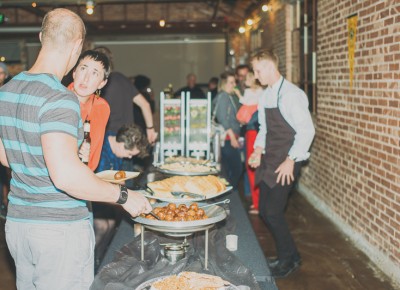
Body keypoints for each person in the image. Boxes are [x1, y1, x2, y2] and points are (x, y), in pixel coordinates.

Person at [0, 8, 151, 290]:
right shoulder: (60, 98)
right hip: (59, 228)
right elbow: (66, 177)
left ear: (42, 37)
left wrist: (55, 156)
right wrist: (123, 196)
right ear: (77, 47)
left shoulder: (7, 91)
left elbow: (6, 156)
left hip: (19, 224)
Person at [249, 49, 315, 278]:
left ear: (269, 67)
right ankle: (290, 255)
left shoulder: (291, 95)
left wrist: (291, 160)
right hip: (271, 159)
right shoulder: (266, 95)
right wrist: (258, 149)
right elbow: (265, 129)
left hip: (287, 160)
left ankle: (288, 261)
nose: (256, 76)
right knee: (265, 212)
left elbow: (307, 130)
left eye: (258, 70)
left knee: (273, 212)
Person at [93, 46, 157, 145]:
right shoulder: (121, 78)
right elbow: (145, 105)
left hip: (109, 140)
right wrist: (150, 129)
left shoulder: (97, 84)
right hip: (128, 138)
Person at [68, 49, 111, 171]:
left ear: (102, 83)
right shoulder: (58, 103)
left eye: (94, 73)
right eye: (83, 69)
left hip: (84, 177)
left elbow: (93, 157)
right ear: (74, 72)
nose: (86, 78)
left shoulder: (102, 108)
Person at [235, 70, 263, 214]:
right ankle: (258, 202)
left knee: (251, 166)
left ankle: (258, 204)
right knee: (257, 167)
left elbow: (244, 117)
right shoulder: (263, 92)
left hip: (253, 132)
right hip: (259, 132)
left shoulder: (251, 93)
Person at [213, 71, 243, 190]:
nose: (234, 84)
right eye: (231, 82)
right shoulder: (223, 96)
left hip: (227, 137)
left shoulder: (228, 96)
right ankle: (227, 192)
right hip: (226, 138)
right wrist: (232, 137)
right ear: (224, 84)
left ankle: (225, 192)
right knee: (237, 168)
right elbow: (223, 119)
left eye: (234, 82)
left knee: (228, 169)